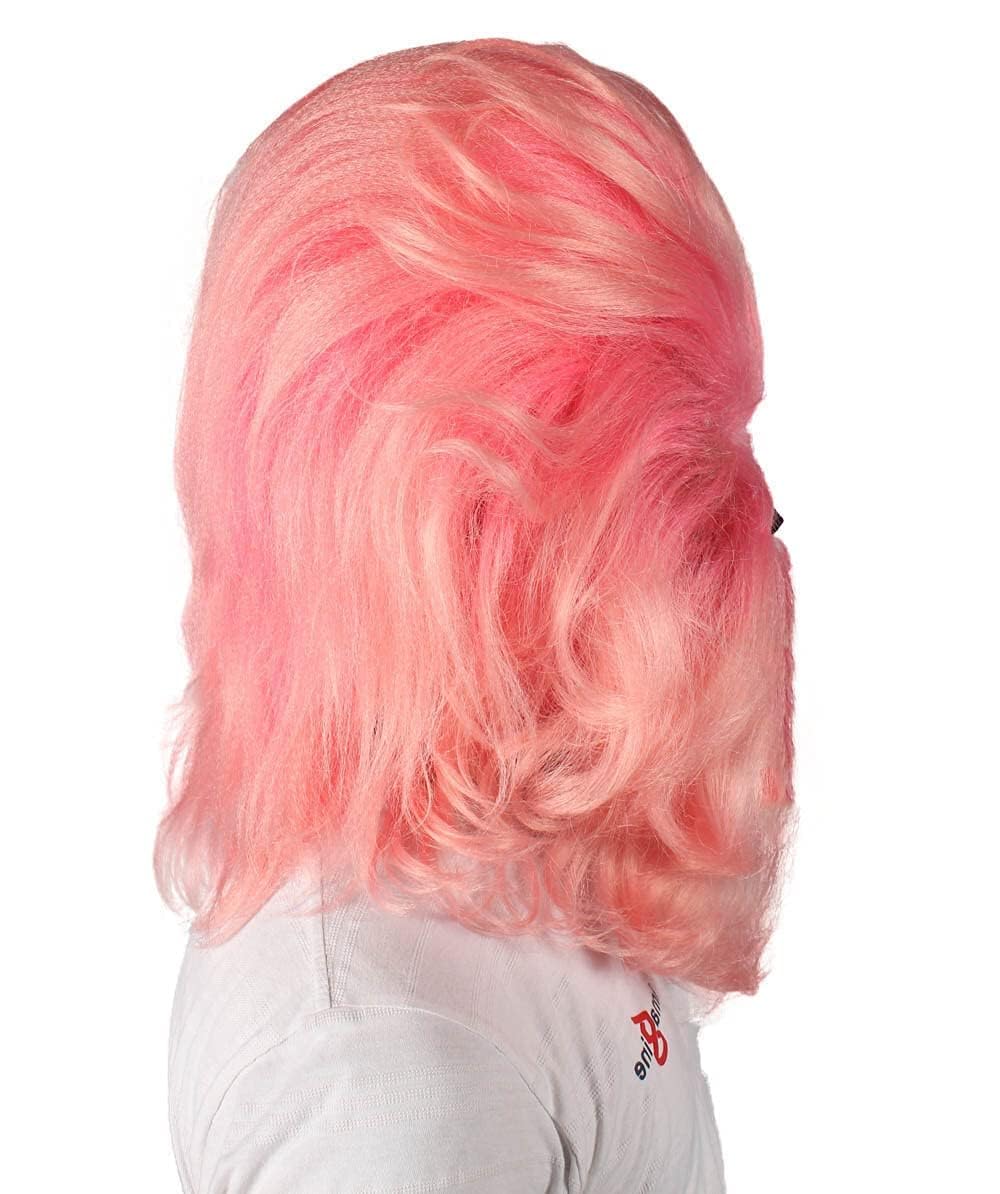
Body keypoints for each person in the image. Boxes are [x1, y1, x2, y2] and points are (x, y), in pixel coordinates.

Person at [155, 37, 796, 1193]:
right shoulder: (381, 1074)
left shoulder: (516, 822)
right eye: (667, 458)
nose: (753, 519)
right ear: (457, 524)